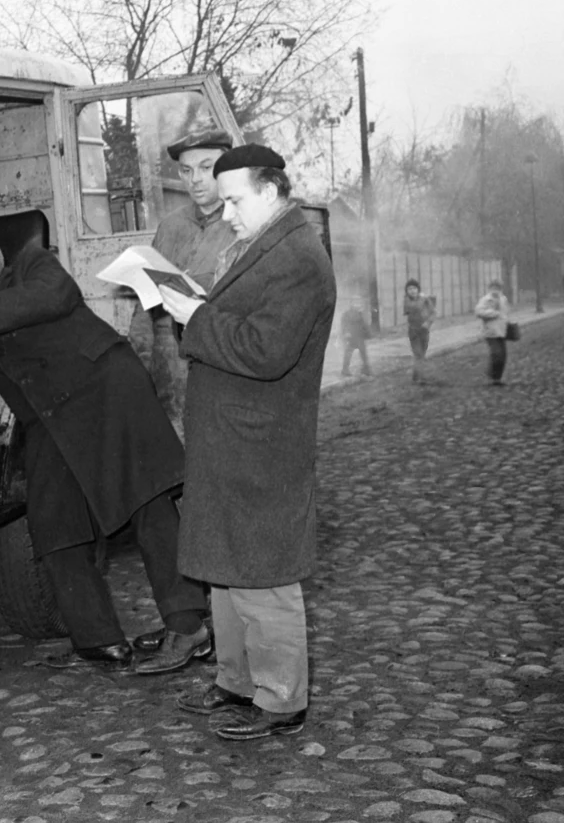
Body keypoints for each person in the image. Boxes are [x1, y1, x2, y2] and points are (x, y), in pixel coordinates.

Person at [0, 232, 208, 673]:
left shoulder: (32, 264)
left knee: (148, 505)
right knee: (53, 521)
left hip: (105, 392)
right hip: (50, 421)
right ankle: (97, 640)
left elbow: (55, 295)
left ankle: (189, 627)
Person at [158, 144, 336, 741]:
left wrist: (195, 318)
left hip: (261, 442)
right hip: (230, 436)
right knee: (224, 568)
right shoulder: (266, 243)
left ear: (270, 189)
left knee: (264, 575)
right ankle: (236, 682)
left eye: (234, 199)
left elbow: (266, 350)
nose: (226, 212)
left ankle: (283, 700)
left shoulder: (298, 256)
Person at [128, 129, 235, 429]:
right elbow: (143, 312)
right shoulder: (170, 227)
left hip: (217, 377)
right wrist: (137, 370)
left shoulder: (241, 224)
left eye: (206, 167)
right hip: (170, 380)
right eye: (187, 171)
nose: (195, 179)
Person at [475, 277, 510, 385]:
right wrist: (494, 313)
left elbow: (505, 313)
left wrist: (507, 323)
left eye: (498, 288)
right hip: (490, 332)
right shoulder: (486, 300)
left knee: (503, 355)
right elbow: (479, 312)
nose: (495, 290)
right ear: (489, 288)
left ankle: (497, 379)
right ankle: (492, 376)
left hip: (501, 331)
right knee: (497, 354)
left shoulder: (503, 299)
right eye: (493, 288)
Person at [403, 279, 436, 383]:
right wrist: (424, 299)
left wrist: (428, 323)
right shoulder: (407, 300)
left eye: (414, 288)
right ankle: (421, 378)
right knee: (418, 353)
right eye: (409, 289)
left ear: (418, 289)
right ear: (407, 291)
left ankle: (415, 375)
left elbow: (433, 313)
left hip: (424, 330)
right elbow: (411, 308)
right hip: (414, 331)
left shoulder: (425, 299)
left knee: (422, 353)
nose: (412, 291)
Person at [339, 294, 372, 377]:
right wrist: (346, 332)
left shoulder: (361, 313)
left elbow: (365, 324)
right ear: (351, 304)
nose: (357, 304)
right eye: (355, 303)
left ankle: (365, 368)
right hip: (351, 336)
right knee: (348, 353)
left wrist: (368, 333)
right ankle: (345, 369)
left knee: (363, 352)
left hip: (359, 336)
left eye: (359, 303)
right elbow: (344, 324)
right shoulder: (347, 314)